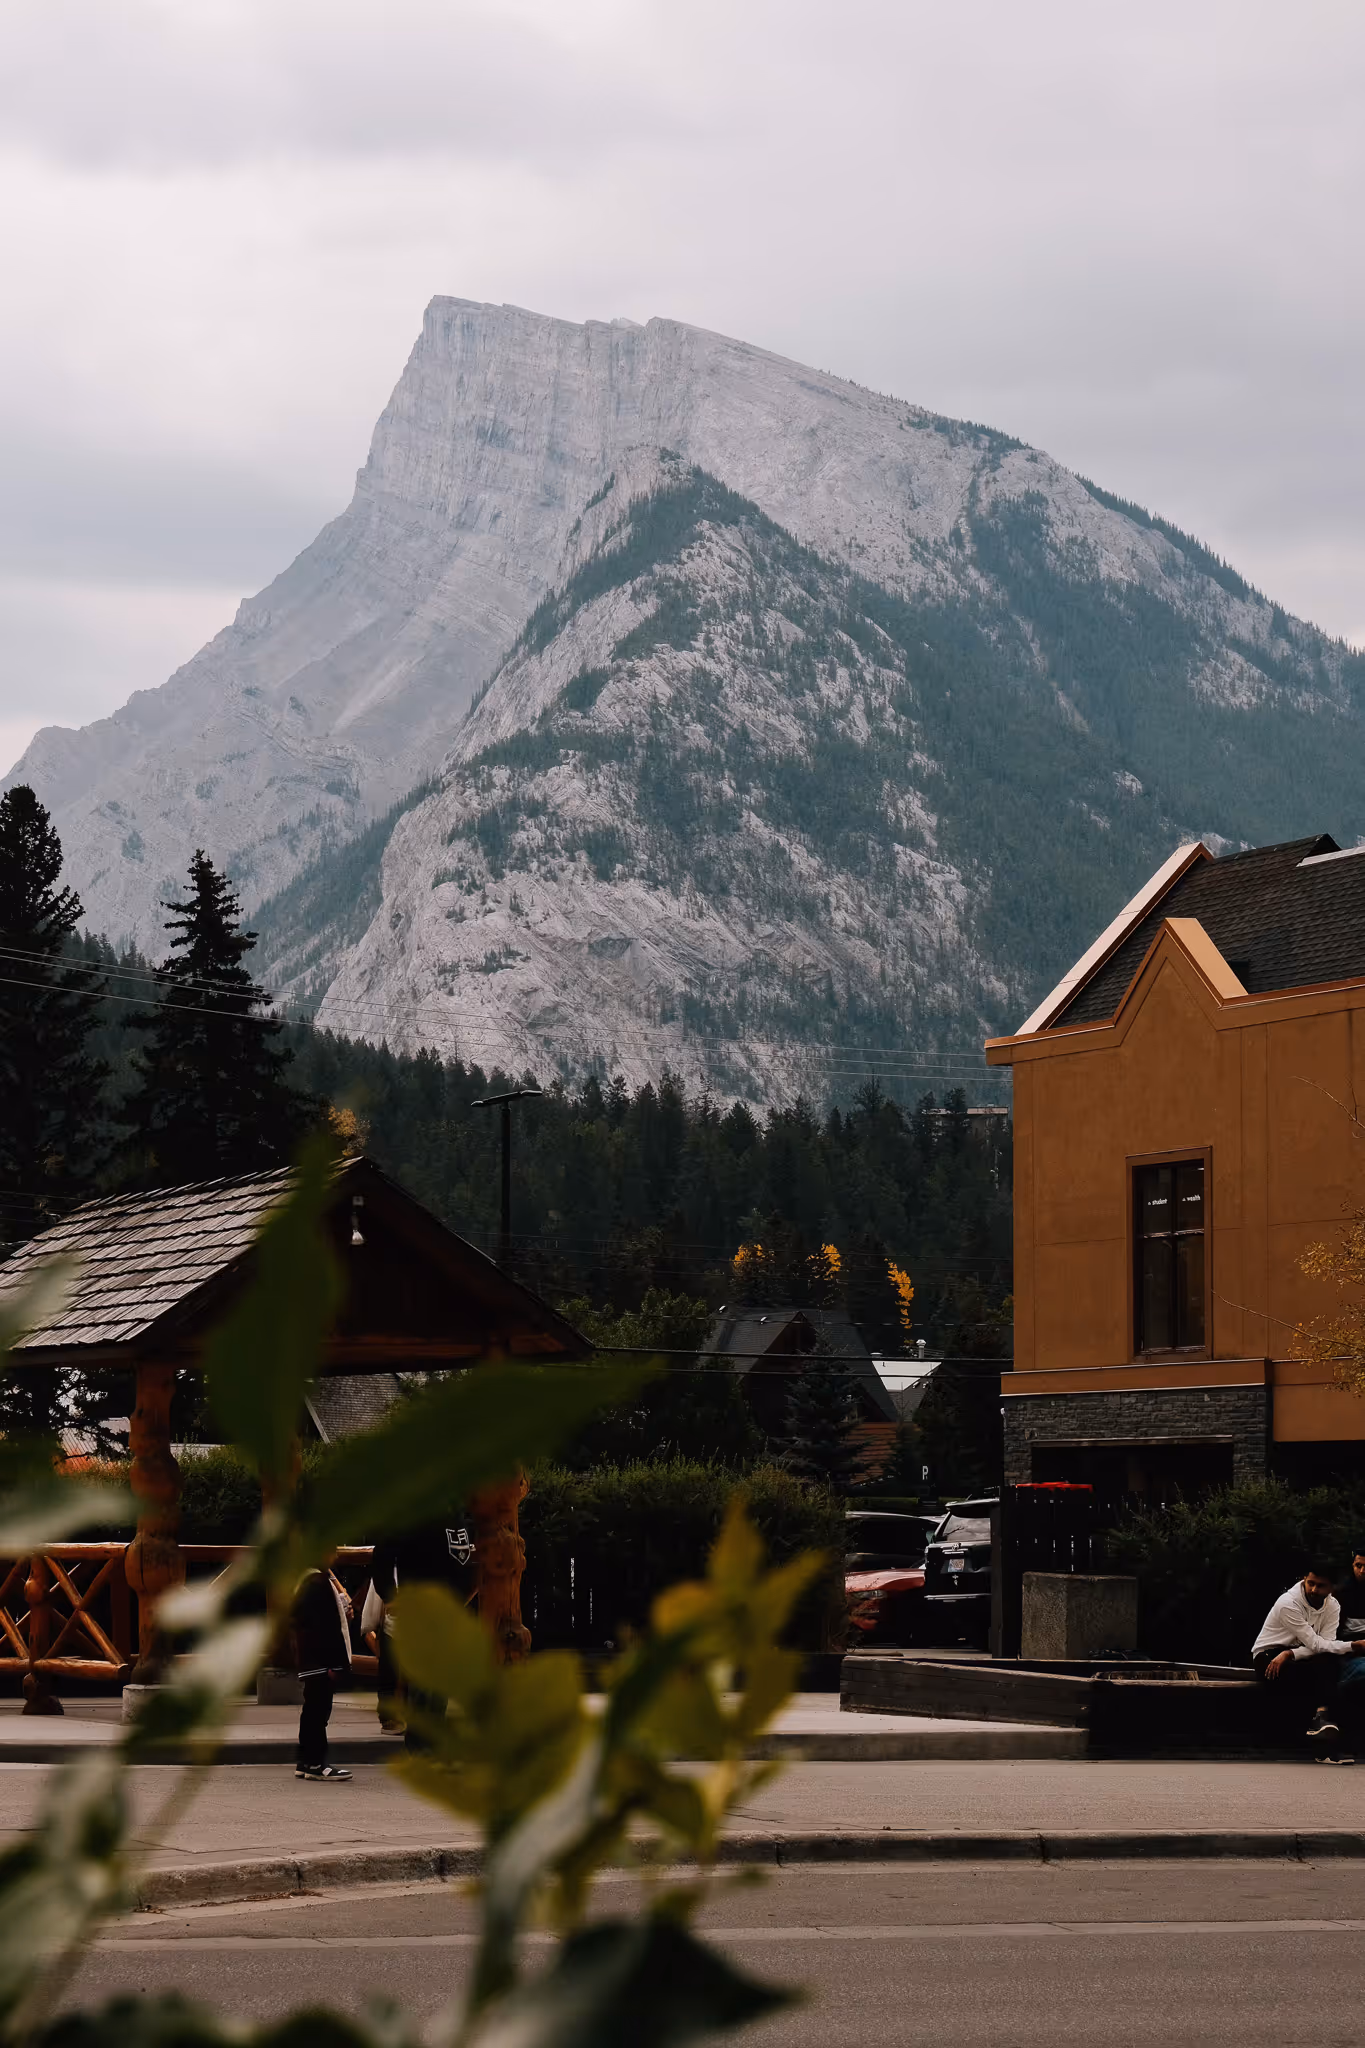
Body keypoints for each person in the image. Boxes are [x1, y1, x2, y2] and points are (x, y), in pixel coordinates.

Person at [1252, 1562, 1365, 1748]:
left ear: (1332, 1588)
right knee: (1312, 1675)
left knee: (1328, 1663)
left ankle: (1323, 1721)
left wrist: (1290, 1653)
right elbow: (1317, 1643)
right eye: (1310, 1583)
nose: (1313, 1589)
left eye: (1321, 1586)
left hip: (1297, 1654)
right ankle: (1318, 1724)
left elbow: (1325, 1643)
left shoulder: (1333, 1606)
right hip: (1269, 1655)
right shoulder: (1288, 1603)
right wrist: (1354, 1646)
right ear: (1304, 1580)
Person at [292, 1557, 354, 1782]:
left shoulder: (306, 1579)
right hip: (321, 1660)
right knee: (319, 1712)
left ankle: (305, 1761)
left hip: (311, 1658)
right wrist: (335, 1663)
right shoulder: (317, 1582)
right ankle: (317, 1763)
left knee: (311, 1710)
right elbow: (326, 1627)